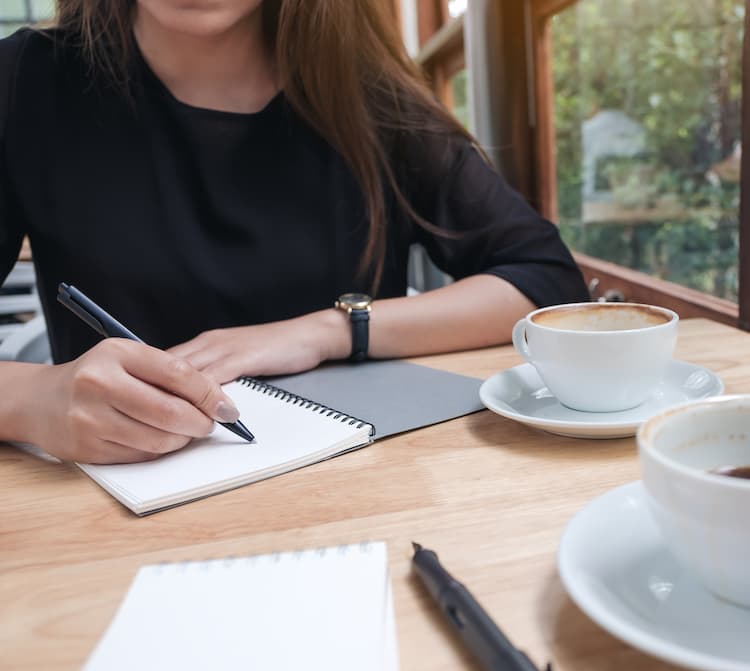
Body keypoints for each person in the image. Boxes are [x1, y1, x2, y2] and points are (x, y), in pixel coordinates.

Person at [0, 0, 588, 464]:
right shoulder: (25, 80)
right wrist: (35, 400)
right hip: (112, 508)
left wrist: (329, 330)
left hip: (354, 484)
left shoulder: (368, 98)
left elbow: (547, 284)